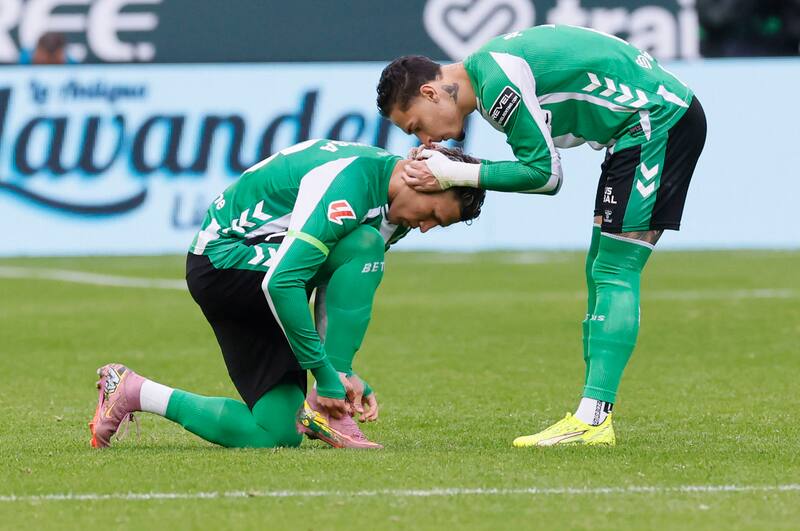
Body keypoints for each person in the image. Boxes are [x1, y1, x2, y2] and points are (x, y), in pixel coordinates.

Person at [377, 25, 706, 447]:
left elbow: (546, 175)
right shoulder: (490, 72)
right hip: (640, 127)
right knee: (600, 270)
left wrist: (454, 171)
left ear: (430, 93)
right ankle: (593, 417)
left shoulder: (496, 86)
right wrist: (453, 168)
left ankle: (593, 420)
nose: (425, 139)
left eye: (416, 126)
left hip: (655, 122)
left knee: (614, 268)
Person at [89, 140, 485, 450]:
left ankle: (132, 390)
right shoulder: (352, 184)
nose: (427, 228)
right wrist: (328, 374)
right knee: (364, 244)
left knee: (273, 432)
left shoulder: (395, 210)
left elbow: (337, 283)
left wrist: (338, 374)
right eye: (434, 214)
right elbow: (281, 283)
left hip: (260, 273)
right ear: (422, 178)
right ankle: (326, 406)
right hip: (226, 261)